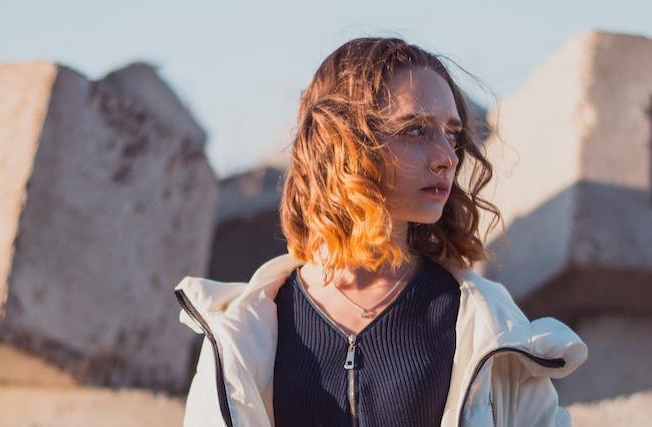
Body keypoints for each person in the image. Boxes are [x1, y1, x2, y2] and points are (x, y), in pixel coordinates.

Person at [174, 37, 587, 426]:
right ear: (341, 143)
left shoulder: (486, 325)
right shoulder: (240, 333)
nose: (446, 157)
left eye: (452, 134)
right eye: (415, 130)